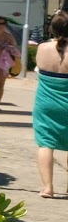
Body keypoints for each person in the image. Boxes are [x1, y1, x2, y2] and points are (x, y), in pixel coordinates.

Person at [33, 10, 68, 198]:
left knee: (46, 143)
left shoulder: (41, 48)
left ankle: (48, 187)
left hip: (46, 102)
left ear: (51, 29)